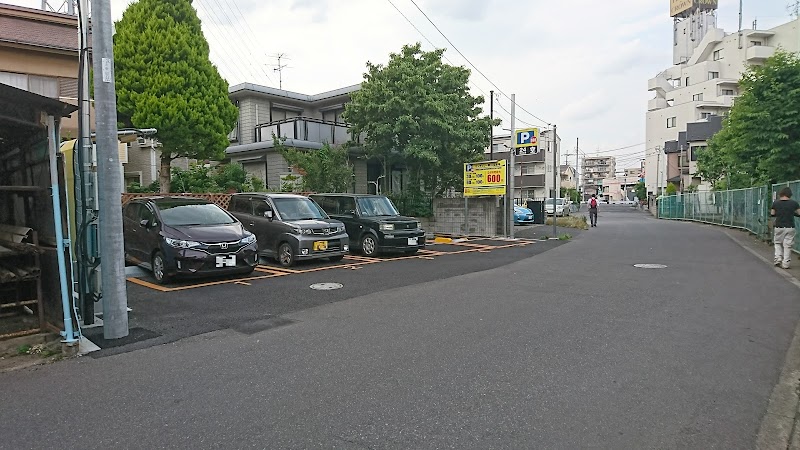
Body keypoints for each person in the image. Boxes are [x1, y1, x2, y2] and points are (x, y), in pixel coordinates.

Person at [770, 187, 800, 269]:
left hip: (779, 226)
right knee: (788, 245)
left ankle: (778, 258)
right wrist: (792, 213)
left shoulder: (775, 203)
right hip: (790, 227)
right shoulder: (794, 203)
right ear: (790, 195)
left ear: (781, 194)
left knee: (777, 243)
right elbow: (799, 213)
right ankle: (786, 263)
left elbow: (772, 214)